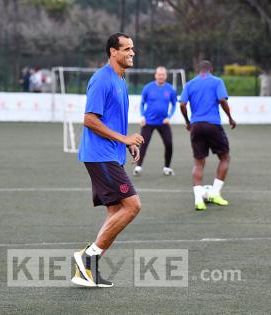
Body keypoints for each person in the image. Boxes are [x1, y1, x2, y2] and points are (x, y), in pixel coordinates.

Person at [73, 33, 144, 288]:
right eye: (126, 49)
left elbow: (112, 121)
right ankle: (87, 256)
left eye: (132, 49)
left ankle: (87, 270)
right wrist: (125, 139)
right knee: (133, 206)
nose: (132, 53)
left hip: (110, 155)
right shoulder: (102, 79)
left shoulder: (120, 80)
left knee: (116, 212)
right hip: (99, 155)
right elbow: (90, 119)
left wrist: (126, 145)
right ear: (113, 52)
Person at [179, 60, 236, 211]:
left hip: (196, 126)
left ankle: (199, 200)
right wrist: (230, 117)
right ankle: (215, 193)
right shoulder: (217, 81)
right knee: (225, 157)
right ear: (211, 69)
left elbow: (182, 104)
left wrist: (188, 121)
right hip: (213, 124)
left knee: (198, 162)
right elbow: (222, 100)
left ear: (198, 70)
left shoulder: (190, 84)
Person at [133, 66, 177, 176]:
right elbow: (142, 104)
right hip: (148, 122)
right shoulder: (148, 88)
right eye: (159, 74)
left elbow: (175, 104)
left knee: (169, 144)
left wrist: (169, 117)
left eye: (163, 74)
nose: (161, 76)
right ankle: (138, 167)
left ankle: (167, 168)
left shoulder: (170, 89)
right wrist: (142, 116)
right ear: (155, 75)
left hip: (163, 122)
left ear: (166, 76)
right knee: (143, 144)